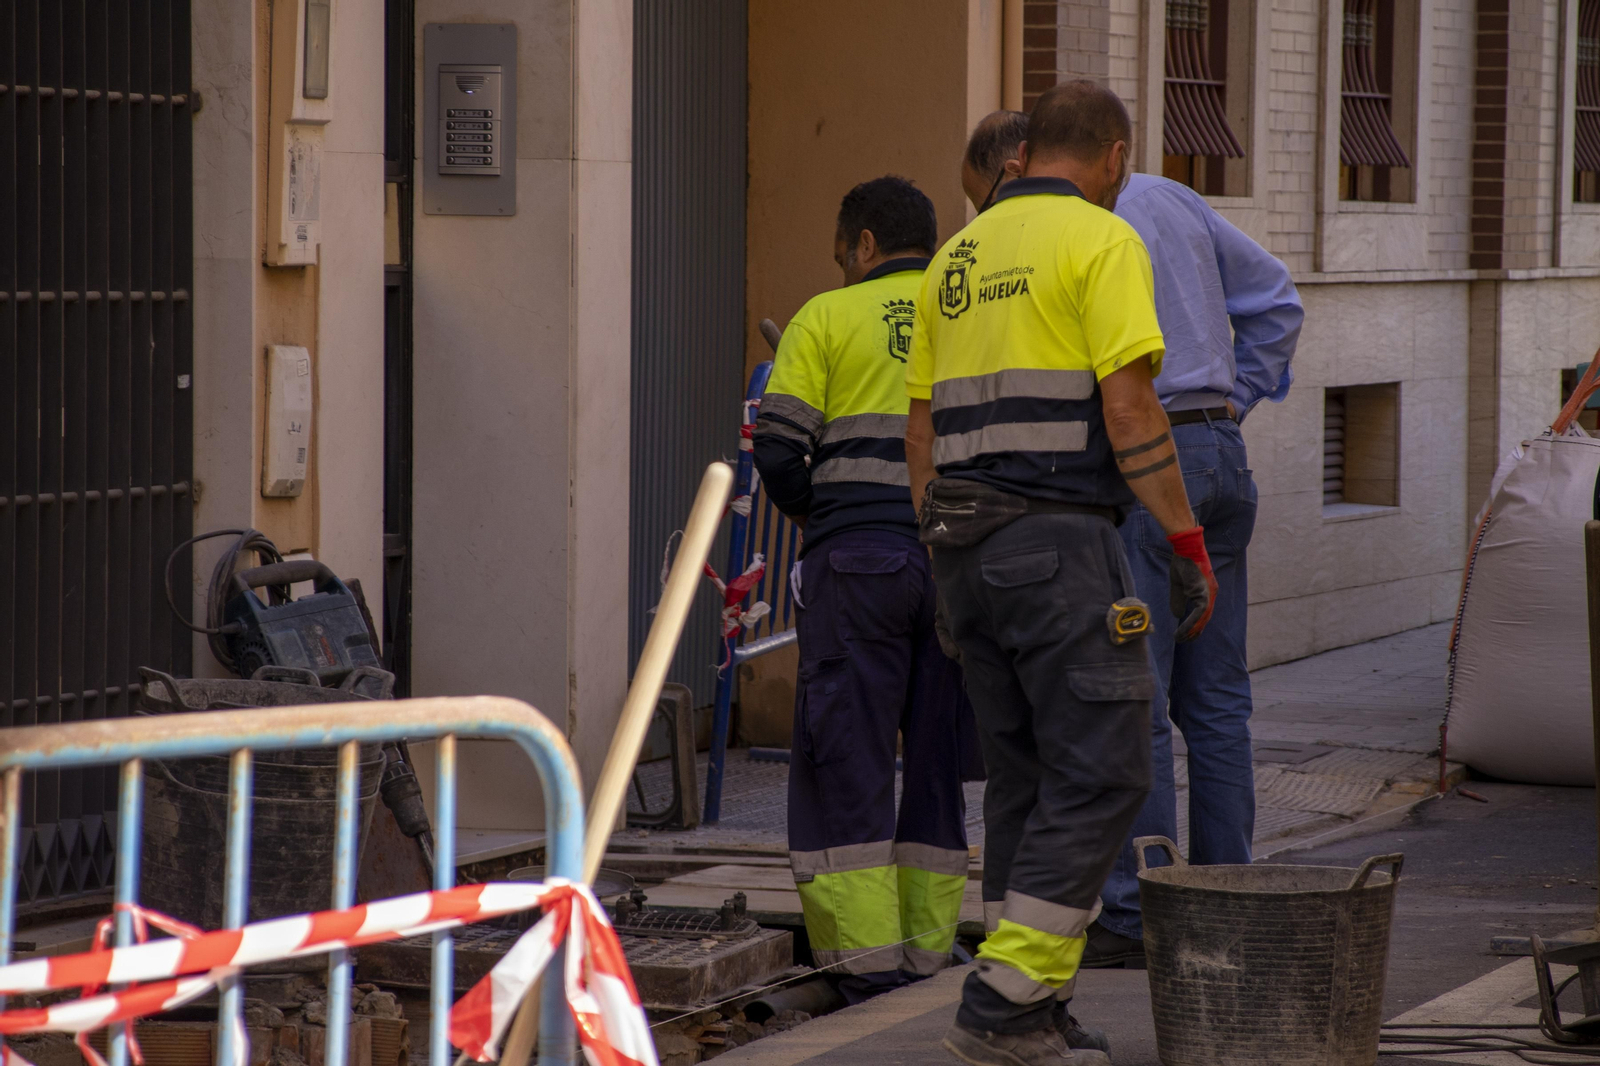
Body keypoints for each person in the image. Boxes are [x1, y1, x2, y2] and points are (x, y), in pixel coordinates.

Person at [908, 81, 1217, 1066]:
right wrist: (1184, 541)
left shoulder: (955, 255)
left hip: (963, 545)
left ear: (1022, 151)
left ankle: (1033, 1005)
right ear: (1115, 156)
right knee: (1108, 762)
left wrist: (941, 547)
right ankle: (1003, 999)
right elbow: (1129, 407)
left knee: (1024, 776)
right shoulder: (1100, 240)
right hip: (1057, 540)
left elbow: (920, 427)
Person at [958, 109, 1303, 969]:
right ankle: (1231, 897)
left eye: (988, 195)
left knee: (1132, 698)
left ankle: (1139, 912)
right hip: (1218, 449)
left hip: (1145, 462)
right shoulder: (1177, 200)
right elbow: (1278, 301)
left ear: (1019, 161)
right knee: (1219, 701)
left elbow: (1121, 398)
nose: (989, 215)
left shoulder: (1069, 230)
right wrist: (1230, 401)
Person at [752, 176, 976, 1005]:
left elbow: (776, 451)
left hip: (860, 566)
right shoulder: (968, 310)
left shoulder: (825, 317)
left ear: (865, 246)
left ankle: (866, 971)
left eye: (842, 254)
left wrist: (829, 513)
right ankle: (926, 960)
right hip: (955, 561)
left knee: (845, 758)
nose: (841, 267)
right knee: (937, 764)